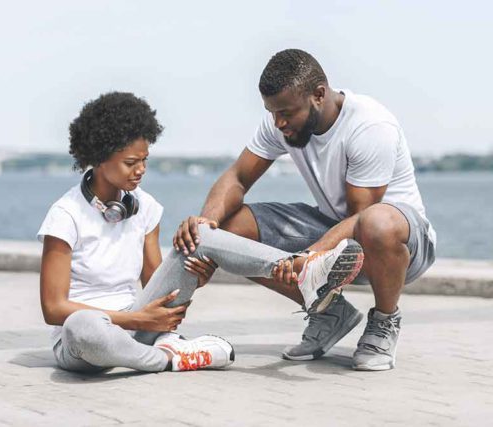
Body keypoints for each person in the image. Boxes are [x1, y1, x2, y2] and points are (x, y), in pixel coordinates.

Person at [38, 91, 363, 373]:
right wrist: (138, 322)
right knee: (83, 327)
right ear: (98, 158)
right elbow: (53, 309)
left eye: (145, 160)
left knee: (201, 232)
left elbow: (156, 285)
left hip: (140, 319)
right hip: (89, 338)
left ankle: (298, 268)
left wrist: (197, 271)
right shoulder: (65, 216)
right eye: (131, 162)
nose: (141, 171)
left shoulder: (145, 207)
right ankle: (169, 358)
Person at [173, 49, 436, 371]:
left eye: (286, 112)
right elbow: (238, 177)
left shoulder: (369, 125)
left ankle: (384, 320)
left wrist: (308, 256)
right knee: (228, 232)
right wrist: (207, 225)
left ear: (318, 95)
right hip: (336, 227)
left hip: (397, 243)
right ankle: (329, 312)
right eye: (272, 113)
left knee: (376, 221)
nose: (279, 122)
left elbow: (360, 216)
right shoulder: (281, 121)